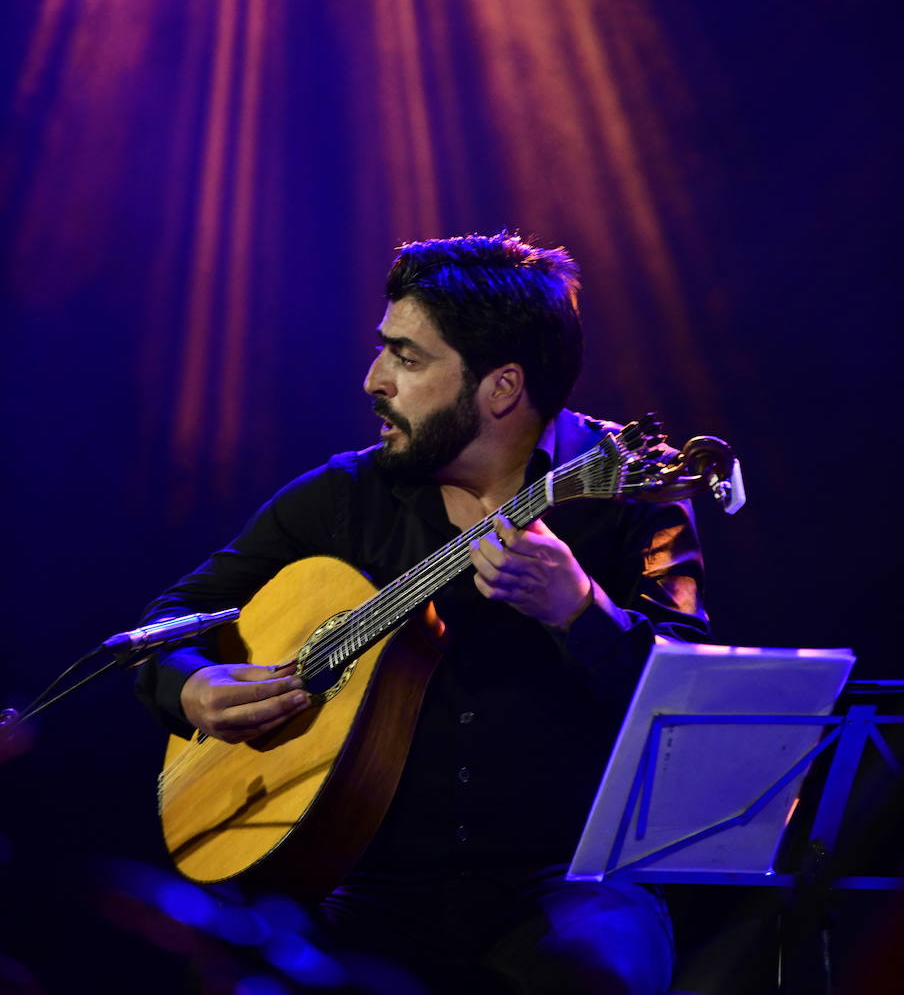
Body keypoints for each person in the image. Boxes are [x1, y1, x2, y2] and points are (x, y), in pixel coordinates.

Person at [137, 232, 708, 994]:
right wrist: (193, 688)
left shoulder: (632, 496)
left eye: (407, 358)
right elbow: (168, 624)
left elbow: (695, 703)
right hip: (368, 878)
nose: (374, 380)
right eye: (385, 351)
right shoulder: (346, 496)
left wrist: (580, 610)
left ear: (501, 388)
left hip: (573, 881)